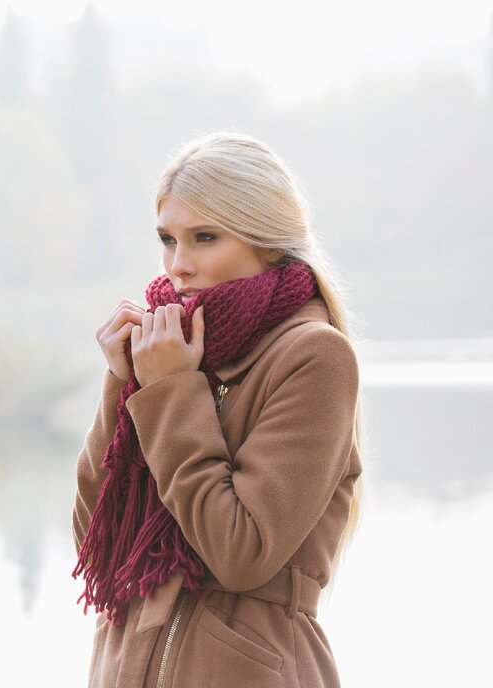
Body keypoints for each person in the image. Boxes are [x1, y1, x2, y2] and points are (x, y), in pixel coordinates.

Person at [71, 131, 364, 688]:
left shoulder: (313, 356)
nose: (178, 265)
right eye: (167, 239)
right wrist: (123, 384)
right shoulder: (172, 352)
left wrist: (170, 394)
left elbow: (240, 553)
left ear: (269, 243)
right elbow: (94, 540)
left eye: (204, 237)